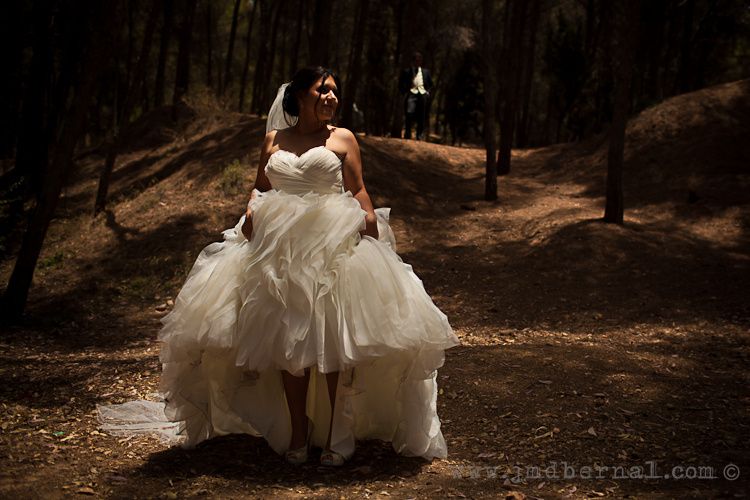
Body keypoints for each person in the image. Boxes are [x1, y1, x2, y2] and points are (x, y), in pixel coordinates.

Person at [97, 66, 460, 467]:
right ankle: (298, 435)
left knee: (335, 343)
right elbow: (261, 185)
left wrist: (369, 221)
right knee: (290, 346)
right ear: (300, 95)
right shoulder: (274, 139)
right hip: (280, 253)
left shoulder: (342, 138)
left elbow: (357, 188)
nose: (332, 98)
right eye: (323, 90)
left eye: (335, 92)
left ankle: (339, 436)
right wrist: (251, 210)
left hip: (331, 244)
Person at [399, 52, 433, 140]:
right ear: (413, 62)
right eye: (416, 61)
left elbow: (430, 84)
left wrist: (428, 92)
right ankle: (407, 134)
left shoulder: (426, 72)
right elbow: (401, 84)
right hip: (411, 94)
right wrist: (404, 93)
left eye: (419, 61)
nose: (418, 62)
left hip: (422, 94)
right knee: (409, 113)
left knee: (421, 116)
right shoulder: (407, 72)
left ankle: (419, 135)